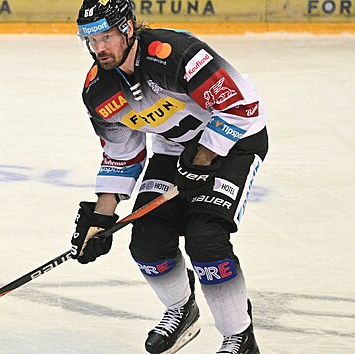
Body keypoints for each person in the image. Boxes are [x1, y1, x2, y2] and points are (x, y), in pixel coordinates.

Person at [69, 0, 268, 353]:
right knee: (147, 243)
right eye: (90, 39)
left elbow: (242, 106)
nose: (99, 48)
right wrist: (102, 215)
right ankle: (182, 310)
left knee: (205, 240)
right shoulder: (100, 90)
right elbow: (122, 152)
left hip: (235, 138)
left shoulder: (173, 54)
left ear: (128, 28)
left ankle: (239, 337)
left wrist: (204, 155)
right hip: (176, 149)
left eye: (106, 37)